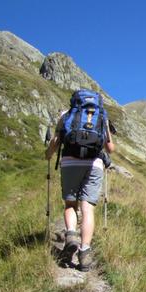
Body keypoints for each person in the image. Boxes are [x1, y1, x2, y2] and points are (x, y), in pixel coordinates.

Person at [45, 99, 115, 271]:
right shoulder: (102, 117)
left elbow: (55, 141)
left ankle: (71, 236)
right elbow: (110, 148)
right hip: (94, 164)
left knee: (70, 204)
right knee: (87, 208)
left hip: (69, 163)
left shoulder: (66, 115)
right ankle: (84, 253)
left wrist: (48, 154)